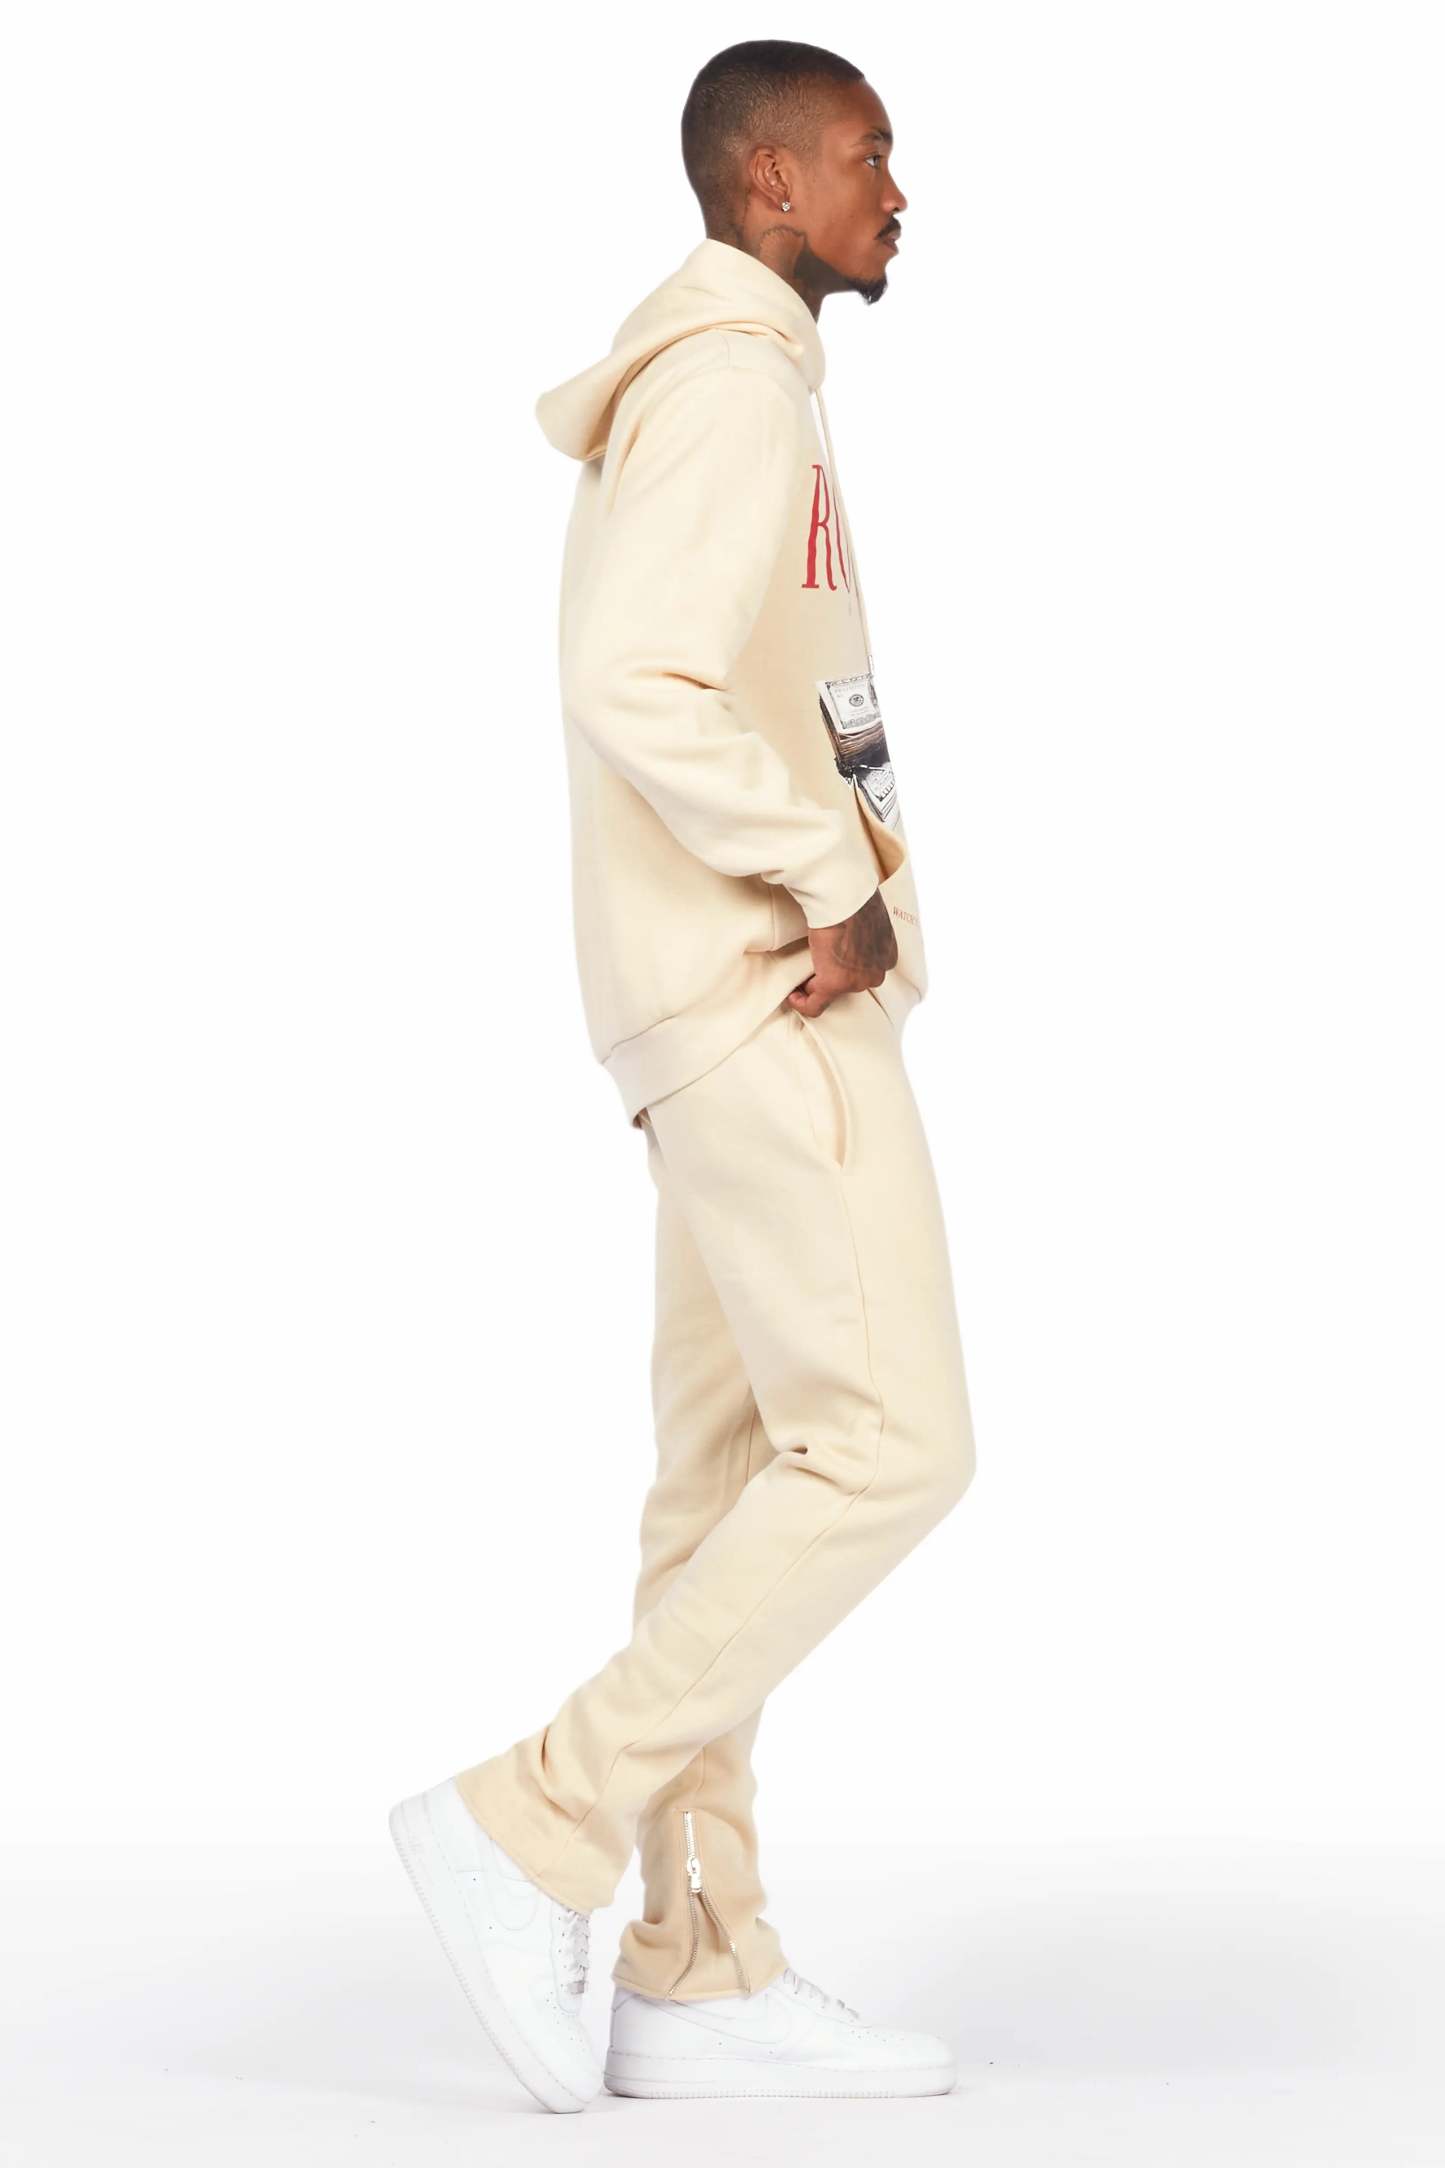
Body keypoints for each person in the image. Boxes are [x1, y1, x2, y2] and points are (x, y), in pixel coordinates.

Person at [389, 39, 977, 2112]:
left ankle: (700, 1960)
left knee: (730, 1483)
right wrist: (831, 874)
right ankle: (534, 1815)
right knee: (892, 1443)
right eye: (868, 157)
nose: (899, 192)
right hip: (759, 989)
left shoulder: (735, 376)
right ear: (765, 183)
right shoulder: (730, 380)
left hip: (706, 998)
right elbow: (627, 672)